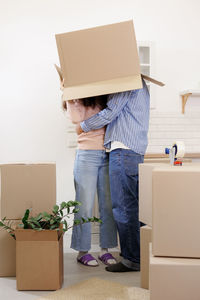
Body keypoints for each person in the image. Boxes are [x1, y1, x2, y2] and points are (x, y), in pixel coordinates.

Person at [77, 78, 150, 272]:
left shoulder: (127, 81)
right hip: (133, 151)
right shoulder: (140, 82)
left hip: (123, 150)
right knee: (132, 207)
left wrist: (83, 126)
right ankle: (137, 256)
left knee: (124, 207)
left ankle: (131, 259)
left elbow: (110, 113)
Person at [63, 95, 118, 267]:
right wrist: (69, 93)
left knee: (107, 205)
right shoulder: (76, 96)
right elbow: (75, 121)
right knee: (84, 204)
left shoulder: (104, 96)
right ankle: (82, 252)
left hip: (109, 152)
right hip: (87, 154)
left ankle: (105, 250)